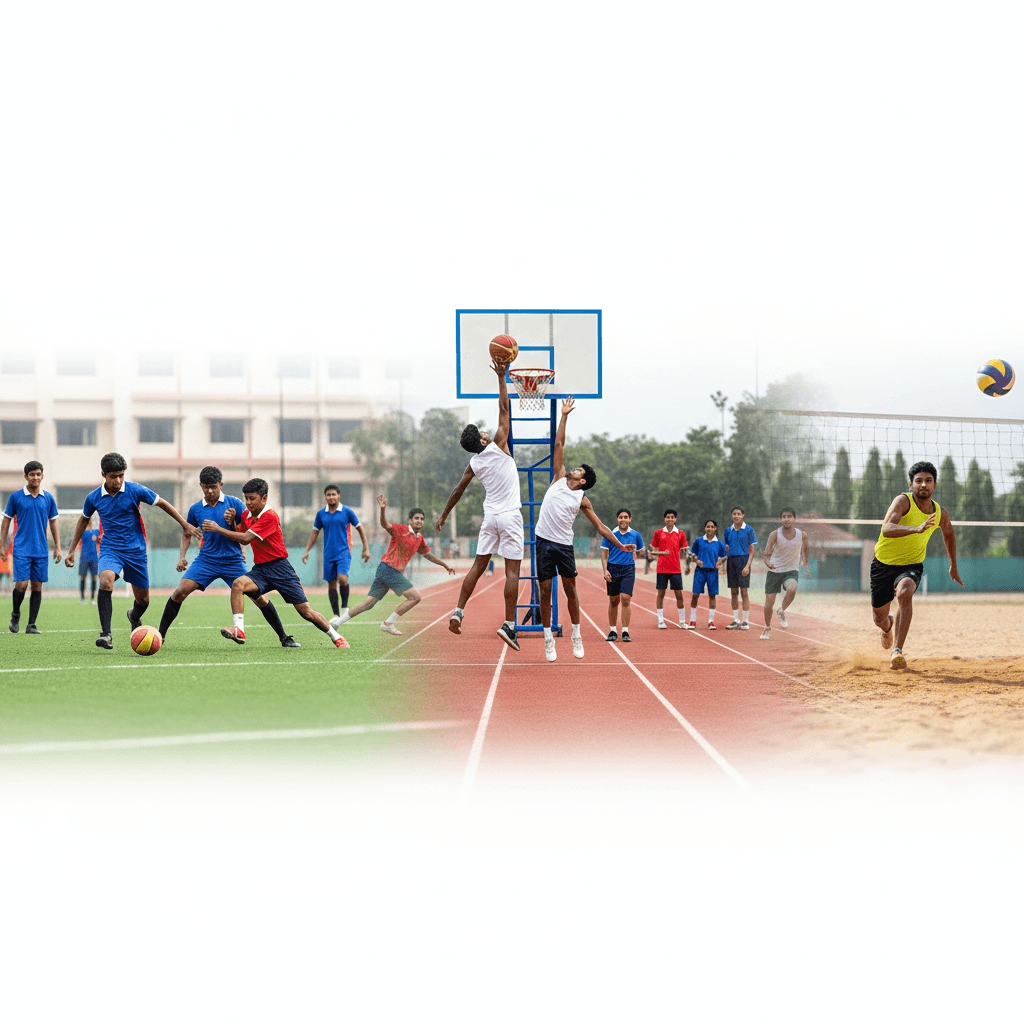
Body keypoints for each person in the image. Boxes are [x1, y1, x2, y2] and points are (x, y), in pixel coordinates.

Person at [65, 452, 201, 649]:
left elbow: (162, 503)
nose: (118, 480)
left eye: (121, 475)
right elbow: (83, 520)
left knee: (143, 601)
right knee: (105, 580)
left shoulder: (135, 490)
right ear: (103, 474)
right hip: (110, 548)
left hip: (136, 550)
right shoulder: (93, 497)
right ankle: (106, 634)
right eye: (113, 476)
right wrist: (70, 550)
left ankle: (133, 615)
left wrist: (184, 524)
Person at [156, 467, 303, 648]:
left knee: (260, 598)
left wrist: (234, 521)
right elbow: (187, 533)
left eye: (214, 486)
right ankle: (160, 636)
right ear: (201, 486)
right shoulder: (195, 509)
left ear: (221, 485)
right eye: (206, 487)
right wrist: (182, 557)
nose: (210, 491)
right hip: (206, 560)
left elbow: (248, 526)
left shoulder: (235, 503)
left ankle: (284, 637)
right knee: (180, 592)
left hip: (233, 561)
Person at [535, 398, 635, 663]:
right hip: (543, 542)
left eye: (579, 470)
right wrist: (564, 415)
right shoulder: (558, 477)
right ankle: (547, 640)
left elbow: (601, 527)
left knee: (570, 591)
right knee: (545, 592)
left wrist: (620, 544)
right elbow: (558, 444)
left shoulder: (582, 499)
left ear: (583, 481)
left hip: (563, 546)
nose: (575, 467)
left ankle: (576, 635)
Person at [201, 477, 350, 649]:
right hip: (261, 569)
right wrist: (232, 522)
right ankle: (239, 630)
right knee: (238, 584)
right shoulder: (245, 515)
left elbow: (246, 538)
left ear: (264, 498)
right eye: (246, 498)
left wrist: (218, 528)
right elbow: (240, 535)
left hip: (281, 569)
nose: (248, 502)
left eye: (252, 498)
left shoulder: (270, 516)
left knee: (306, 612)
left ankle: (336, 636)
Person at [436, 360, 524, 650]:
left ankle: (458, 611)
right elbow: (504, 409)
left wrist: (444, 514)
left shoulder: (474, 462)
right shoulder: (499, 445)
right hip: (510, 517)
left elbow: (458, 489)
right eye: (484, 433)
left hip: (490, 518)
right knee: (512, 572)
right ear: (483, 439)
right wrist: (502, 377)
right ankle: (509, 626)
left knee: (477, 565)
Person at [871, 460, 963, 670]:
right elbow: (887, 529)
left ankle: (897, 651)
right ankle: (887, 627)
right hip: (883, 564)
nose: (923, 485)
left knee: (905, 593)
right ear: (911, 484)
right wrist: (917, 528)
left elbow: (948, 533)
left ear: (935, 485)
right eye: (918, 481)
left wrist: (953, 566)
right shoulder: (903, 501)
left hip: (911, 564)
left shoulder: (939, 513)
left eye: (928, 481)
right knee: (879, 618)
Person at [338, 497, 455, 635]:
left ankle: (337, 622)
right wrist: (382, 509)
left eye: (422, 519)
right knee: (415, 597)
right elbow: (384, 524)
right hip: (389, 569)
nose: (419, 521)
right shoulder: (401, 529)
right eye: (416, 518)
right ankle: (388, 623)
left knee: (368, 604)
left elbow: (428, 555)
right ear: (410, 520)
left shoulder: (419, 538)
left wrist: (445, 565)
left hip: (385, 570)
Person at [1, 461, 62, 634]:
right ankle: (15, 614)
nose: (35, 477)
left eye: (38, 474)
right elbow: (6, 520)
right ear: (25, 476)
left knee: (37, 586)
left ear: (42, 476)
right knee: (21, 585)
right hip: (21, 548)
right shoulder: (16, 497)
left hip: (41, 550)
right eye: (32, 474)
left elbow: (53, 523)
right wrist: (2, 545)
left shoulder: (48, 498)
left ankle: (31, 625)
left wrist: (57, 547)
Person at [302, 484, 370, 624]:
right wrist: (307, 550)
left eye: (334, 494)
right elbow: (315, 532)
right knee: (331, 584)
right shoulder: (321, 514)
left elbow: (360, 528)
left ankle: (345, 607)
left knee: (342, 579)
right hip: (328, 554)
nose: (331, 497)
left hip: (344, 552)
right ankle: (336, 614)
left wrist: (365, 548)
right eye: (328, 495)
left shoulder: (346, 511)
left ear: (339, 496)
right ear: (325, 497)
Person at [759, 507, 811, 640]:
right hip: (775, 571)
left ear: (794, 518)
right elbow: (765, 555)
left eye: (789, 516)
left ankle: (781, 610)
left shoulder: (802, 535)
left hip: (791, 570)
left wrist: (805, 561)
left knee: (792, 588)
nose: (786, 519)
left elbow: (806, 549)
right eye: (784, 517)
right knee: (769, 603)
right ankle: (767, 627)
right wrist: (768, 563)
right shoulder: (775, 535)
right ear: (780, 519)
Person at [601, 508, 647, 642]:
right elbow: (604, 555)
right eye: (621, 517)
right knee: (613, 601)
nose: (623, 520)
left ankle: (625, 631)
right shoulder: (610, 534)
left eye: (626, 517)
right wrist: (605, 570)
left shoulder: (636, 535)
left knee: (626, 598)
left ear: (630, 519)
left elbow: (642, 554)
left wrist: (636, 551)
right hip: (613, 568)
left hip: (628, 569)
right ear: (617, 519)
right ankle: (613, 630)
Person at [648, 509, 690, 629]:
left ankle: (682, 621)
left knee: (679, 595)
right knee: (661, 594)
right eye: (667, 517)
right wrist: (662, 553)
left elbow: (684, 551)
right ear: (664, 519)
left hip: (676, 569)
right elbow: (651, 551)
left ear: (675, 519)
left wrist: (685, 555)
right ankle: (661, 620)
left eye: (672, 517)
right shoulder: (658, 533)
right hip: (661, 569)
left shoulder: (680, 533)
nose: (670, 519)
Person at [686, 519, 728, 629]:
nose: (710, 528)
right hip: (700, 571)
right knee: (695, 595)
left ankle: (711, 621)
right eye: (708, 526)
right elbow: (692, 554)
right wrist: (696, 560)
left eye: (712, 526)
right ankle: (692, 620)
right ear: (705, 528)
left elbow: (724, 557)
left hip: (713, 572)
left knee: (712, 596)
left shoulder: (719, 544)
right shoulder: (699, 541)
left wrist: (721, 562)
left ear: (715, 528)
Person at [723, 505, 758, 629]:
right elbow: (727, 548)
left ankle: (746, 621)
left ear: (743, 515)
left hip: (743, 561)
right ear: (732, 516)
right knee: (733, 592)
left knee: (744, 592)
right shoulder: (728, 531)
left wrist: (747, 566)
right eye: (734, 514)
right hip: (731, 561)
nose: (736, 516)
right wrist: (723, 564)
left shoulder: (749, 530)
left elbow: (752, 550)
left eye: (738, 514)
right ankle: (736, 620)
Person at [78, 515, 100, 605]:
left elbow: (101, 539)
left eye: (90, 518)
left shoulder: (96, 531)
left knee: (94, 577)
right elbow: (78, 538)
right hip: (84, 557)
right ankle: (82, 598)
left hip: (94, 558)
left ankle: (92, 598)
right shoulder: (83, 531)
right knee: (82, 577)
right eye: (88, 518)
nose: (89, 520)